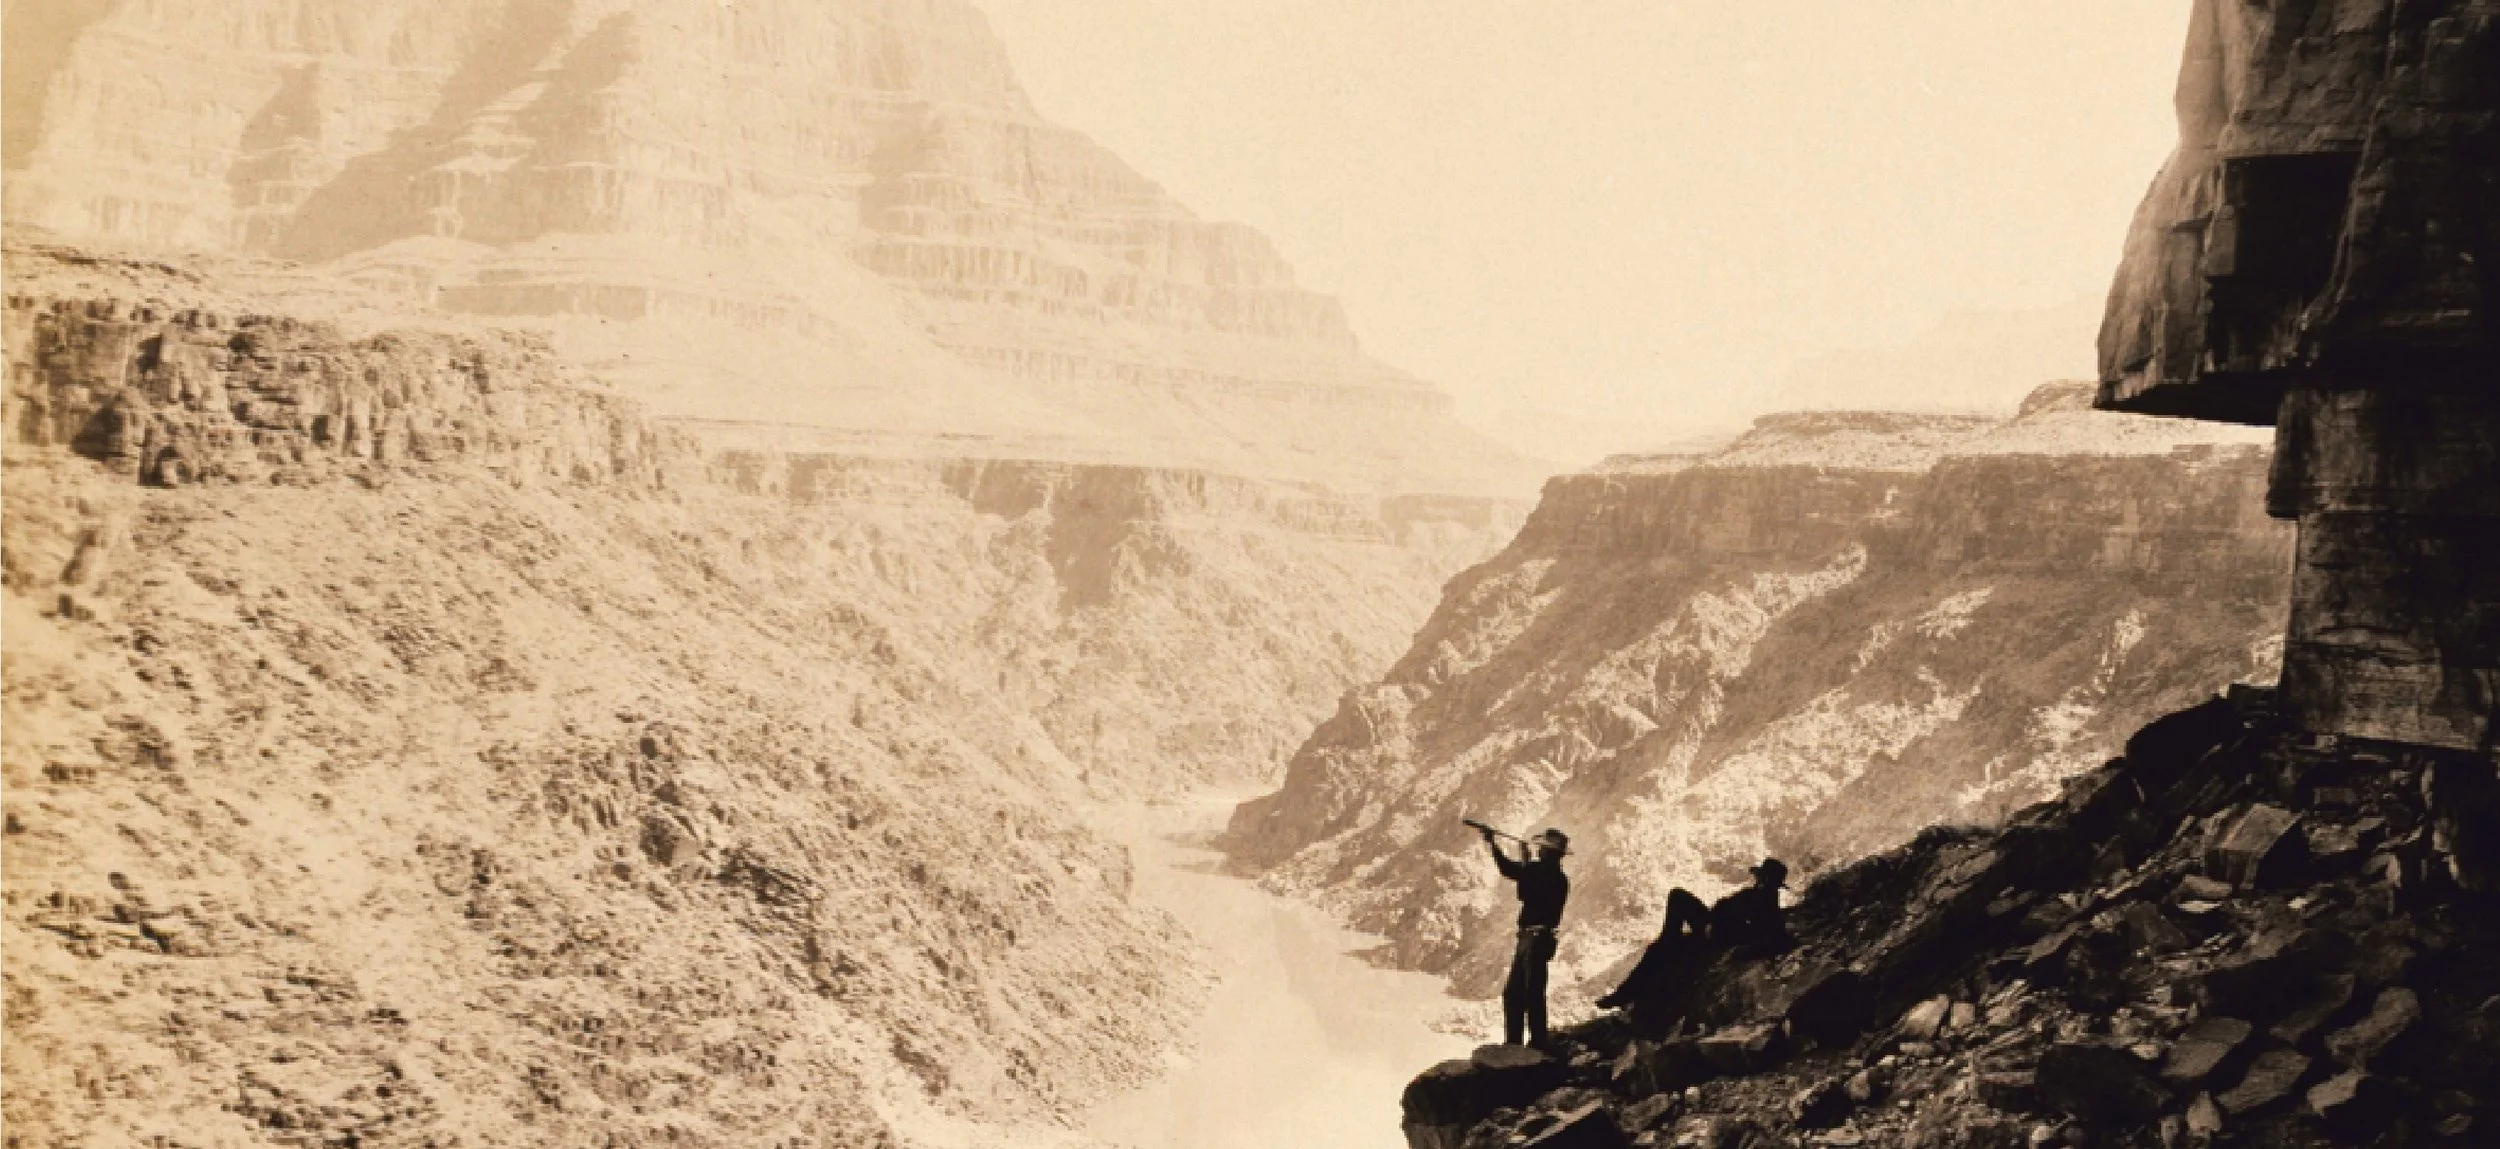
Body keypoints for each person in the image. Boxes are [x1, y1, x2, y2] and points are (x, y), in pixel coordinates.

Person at [1596, 857, 1793, 1013]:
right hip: (1711, 926)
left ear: (1766, 880)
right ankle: (1664, 943)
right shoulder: (1758, 895)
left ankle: (1625, 994)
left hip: (1714, 937)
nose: (1758, 880)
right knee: (1677, 899)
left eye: (1762, 878)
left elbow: (1773, 937)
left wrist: (1735, 944)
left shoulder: (1766, 904)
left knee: (1660, 945)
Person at [1481, 824, 1571, 1049]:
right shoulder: (1557, 878)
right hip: (1536, 939)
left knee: (1523, 993)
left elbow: (1521, 887)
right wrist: (1525, 862)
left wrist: (1496, 846)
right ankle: (1529, 1043)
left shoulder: (1546, 875)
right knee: (1526, 992)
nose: (1539, 851)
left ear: (1549, 854)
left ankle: (1525, 1044)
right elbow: (1521, 876)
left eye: (1543, 849)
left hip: (1533, 939)